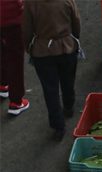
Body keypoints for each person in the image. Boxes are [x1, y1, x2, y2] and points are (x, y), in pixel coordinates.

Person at [22, 0, 81, 141]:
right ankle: (69, 106)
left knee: (50, 90)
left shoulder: (31, 3)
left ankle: (58, 126)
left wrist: (29, 48)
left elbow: (26, 29)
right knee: (68, 81)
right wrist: (74, 39)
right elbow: (76, 21)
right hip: (67, 47)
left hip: (42, 52)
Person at [1, 0, 29, 115]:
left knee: (2, 52)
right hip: (11, 19)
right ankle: (16, 101)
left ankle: (2, 83)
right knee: (15, 60)